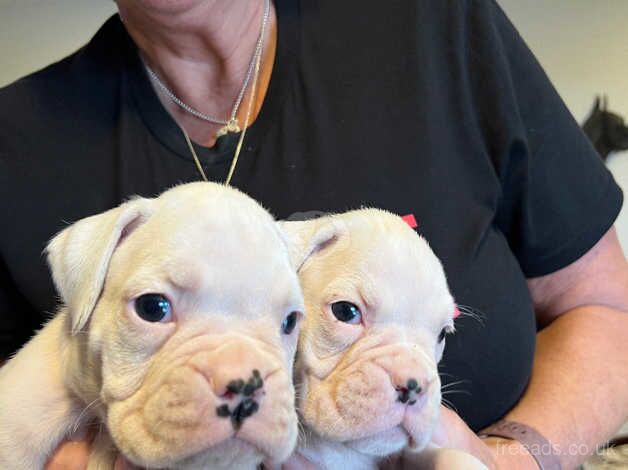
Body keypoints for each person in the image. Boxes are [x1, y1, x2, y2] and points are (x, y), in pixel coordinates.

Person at [1, 1, 627, 469]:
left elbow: (608, 309)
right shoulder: (18, 141)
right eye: (156, 305)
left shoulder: (433, 25)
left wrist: (516, 458)